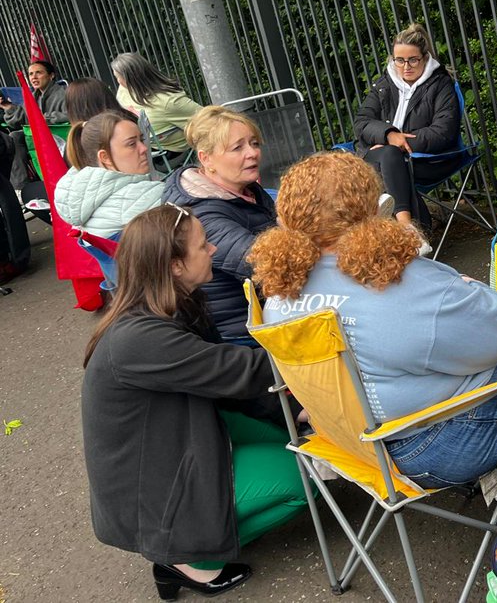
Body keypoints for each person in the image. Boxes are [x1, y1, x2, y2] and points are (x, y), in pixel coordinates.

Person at [249, 151, 497, 488]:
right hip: (440, 449)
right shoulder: (402, 283)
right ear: (372, 208)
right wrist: (471, 289)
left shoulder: (279, 294)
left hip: (355, 446)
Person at [81, 204, 306, 601]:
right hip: (157, 486)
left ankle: (203, 534)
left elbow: (226, 382)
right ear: (174, 266)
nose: (215, 250)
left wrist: (294, 411)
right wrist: (323, 346)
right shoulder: (139, 338)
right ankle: (188, 560)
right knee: (302, 478)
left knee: (292, 437)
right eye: (204, 246)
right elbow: (245, 370)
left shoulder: (170, 303)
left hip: (178, 440)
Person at [163, 106, 276, 344]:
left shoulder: (243, 189)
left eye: (254, 143)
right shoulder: (202, 215)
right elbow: (266, 264)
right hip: (242, 331)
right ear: (206, 158)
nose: (252, 153)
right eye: (238, 147)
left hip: (267, 308)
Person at [353, 23, 462, 247]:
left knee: (388, 160)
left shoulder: (440, 84)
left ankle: (393, 234)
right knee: (386, 158)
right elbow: (362, 122)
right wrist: (388, 135)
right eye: (399, 60)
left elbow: (444, 131)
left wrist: (398, 143)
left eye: (413, 60)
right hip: (382, 157)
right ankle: (410, 231)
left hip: (424, 159)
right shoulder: (384, 84)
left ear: (425, 57)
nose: (405, 67)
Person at [54, 110, 164, 289]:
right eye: (131, 144)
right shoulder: (148, 197)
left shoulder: (82, 195)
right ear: (104, 157)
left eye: (141, 140)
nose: (144, 149)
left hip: (129, 300)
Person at [111, 52, 204, 166]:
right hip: (140, 144)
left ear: (129, 79)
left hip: (166, 153)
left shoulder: (168, 102)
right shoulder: (124, 89)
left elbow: (207, 119)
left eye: (117, 77)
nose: (118, 82)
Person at [2, 60, 67, 194]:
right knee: (14, 137)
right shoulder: (34, 96)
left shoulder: (63, 94)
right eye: (31, 74)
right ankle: (20, 187)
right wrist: (8, 107)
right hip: (37, 135)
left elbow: (70, 114)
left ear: (51, 75)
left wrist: (46, 118)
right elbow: (21, 118)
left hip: (57, 136)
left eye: (39, 73)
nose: (34, 77)